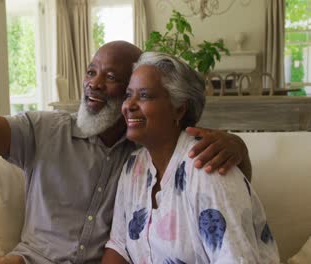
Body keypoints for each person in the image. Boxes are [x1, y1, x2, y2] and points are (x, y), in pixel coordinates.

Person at [0, 37, 252, 264]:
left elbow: (221, 196)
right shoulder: (46, 130)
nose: (94, 84)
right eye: (90, 71)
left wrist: (238, 147)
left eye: (112, 78)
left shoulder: (143, 156)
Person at [102, 52, 279, 264]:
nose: (129, 106)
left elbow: (237, 259)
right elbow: (119, 245)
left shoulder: (209, 165)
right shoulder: (133, 167)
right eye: (128, 95)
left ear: (179, 108)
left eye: (145, 95)